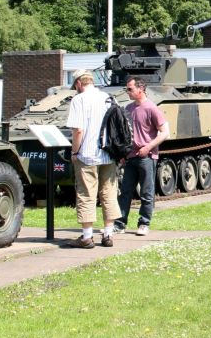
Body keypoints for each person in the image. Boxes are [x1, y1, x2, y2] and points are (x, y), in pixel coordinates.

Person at [65, 69, 119, 248]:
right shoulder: (108, 98)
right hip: (108, 155)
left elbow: (78, 130)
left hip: (87, 155)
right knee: (109, 193)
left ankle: (87, 237)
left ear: (79, 83)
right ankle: (108, 235)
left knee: (86, 194)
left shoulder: (78, 100)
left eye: (75, 86)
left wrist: (74, 152)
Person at [115, 77, 170, 236]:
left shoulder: (152, 108)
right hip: (130, 157)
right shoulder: (128, 108)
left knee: (146, 192)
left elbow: (165, 132)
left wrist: (148, 147)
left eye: (130, 89)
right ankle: (120, 224)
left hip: (146, 157)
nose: (128, 92)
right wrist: (123, 153)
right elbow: (125, 134)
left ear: (140, 89)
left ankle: (144, 223)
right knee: (125, 192)